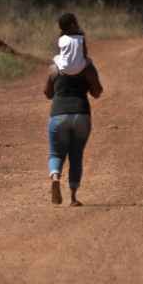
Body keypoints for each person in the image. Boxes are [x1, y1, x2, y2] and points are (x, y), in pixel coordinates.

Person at [44, 15, 104, 206]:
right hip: (81, 115)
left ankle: (55, 178)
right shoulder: (87, 68)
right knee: (75, 155)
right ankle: (73, 197)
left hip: (58, 115)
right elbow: (97, 92)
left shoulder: (54, 69)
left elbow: (47, 94)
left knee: (55, 153)